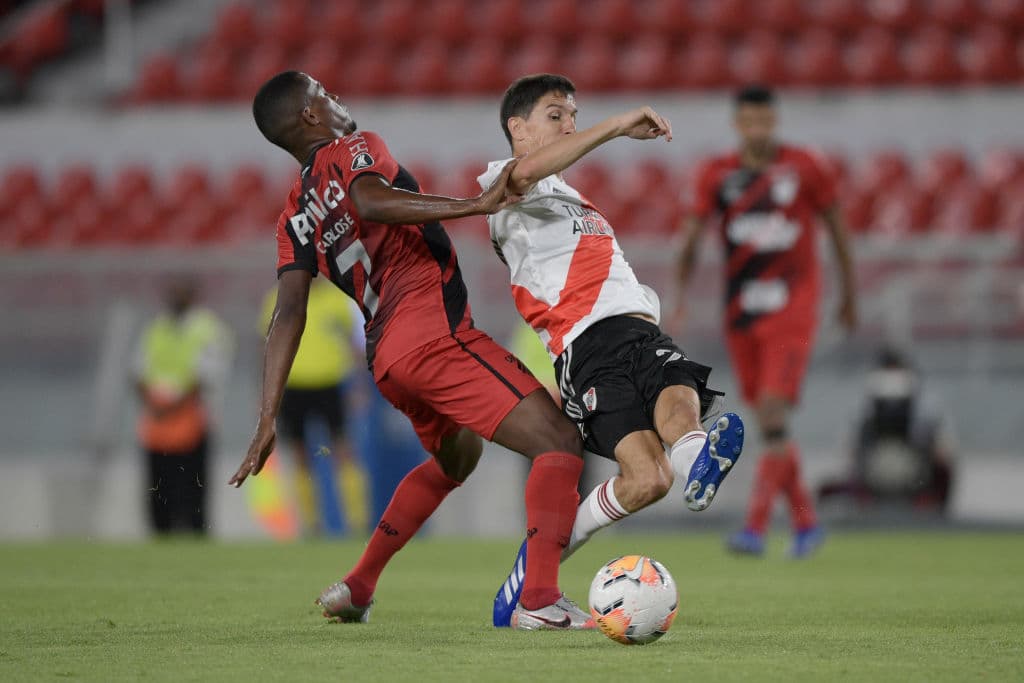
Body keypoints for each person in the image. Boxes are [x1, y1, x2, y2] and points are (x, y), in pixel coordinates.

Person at [230, 71, 589, 631]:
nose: (337, 98)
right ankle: (540, 599)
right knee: (560, 440)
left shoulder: (293, 216)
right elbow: (370, 201)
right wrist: (476, 205)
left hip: (388, 360)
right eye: (325, 94)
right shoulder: (355, 146)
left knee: (457, 459)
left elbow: (288, 315)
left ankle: (358, 585)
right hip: (431, 334)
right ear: (309, 116)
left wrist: (266, 415)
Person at [480, 74, 746, 627]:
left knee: (676, 405)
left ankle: (697, 457)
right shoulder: (504, 182)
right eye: (557, 115)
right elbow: (525, 172)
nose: (570, 124)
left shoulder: (572, 199)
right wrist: (619, 124)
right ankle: (536, 576)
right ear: (517, 127)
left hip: (640, 331)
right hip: (586, 346)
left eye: (574, 115)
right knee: (645, 476)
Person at [676, 85, 858, 558]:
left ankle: (754, 528)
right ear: (738, 124)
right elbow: (691, 236)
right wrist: (677, 293)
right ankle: (807, 524)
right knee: (768, 424)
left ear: (774, 121)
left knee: (773, 414)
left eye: (765, 121)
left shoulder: (805, 167)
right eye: (749, 121)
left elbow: (837, 228)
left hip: (792, 308)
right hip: (741, 313)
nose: (758, 130)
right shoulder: (717, 174)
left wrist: (849, 296)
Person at [260, 278, 363, 536]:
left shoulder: (340, 299)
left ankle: (357, 521)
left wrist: (359, 384)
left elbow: (356, 344)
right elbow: (268, 346)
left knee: (343, 451)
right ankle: (311, 524)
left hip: (332, 382)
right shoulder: (278, 297)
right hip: (293, 385)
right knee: (300, 455)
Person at [134, 280, 232, 535]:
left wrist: (170, 406)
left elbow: (207, 375)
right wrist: (155, 404)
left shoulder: (207, 328)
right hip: (158, 418)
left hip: (193, 417)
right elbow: (138, 371)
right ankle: (161, 535)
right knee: (159, 486)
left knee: (193, 486)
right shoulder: (156, 328)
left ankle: (195, 536)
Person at [818, 347, 955, 513]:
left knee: (943, 468)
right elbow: (849, 450)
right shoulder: (863, 408)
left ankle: (932, 508)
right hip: (872, 475)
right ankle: (864, 502)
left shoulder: (925, 407)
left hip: (916, 474)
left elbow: (943, 451)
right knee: (828, 489)